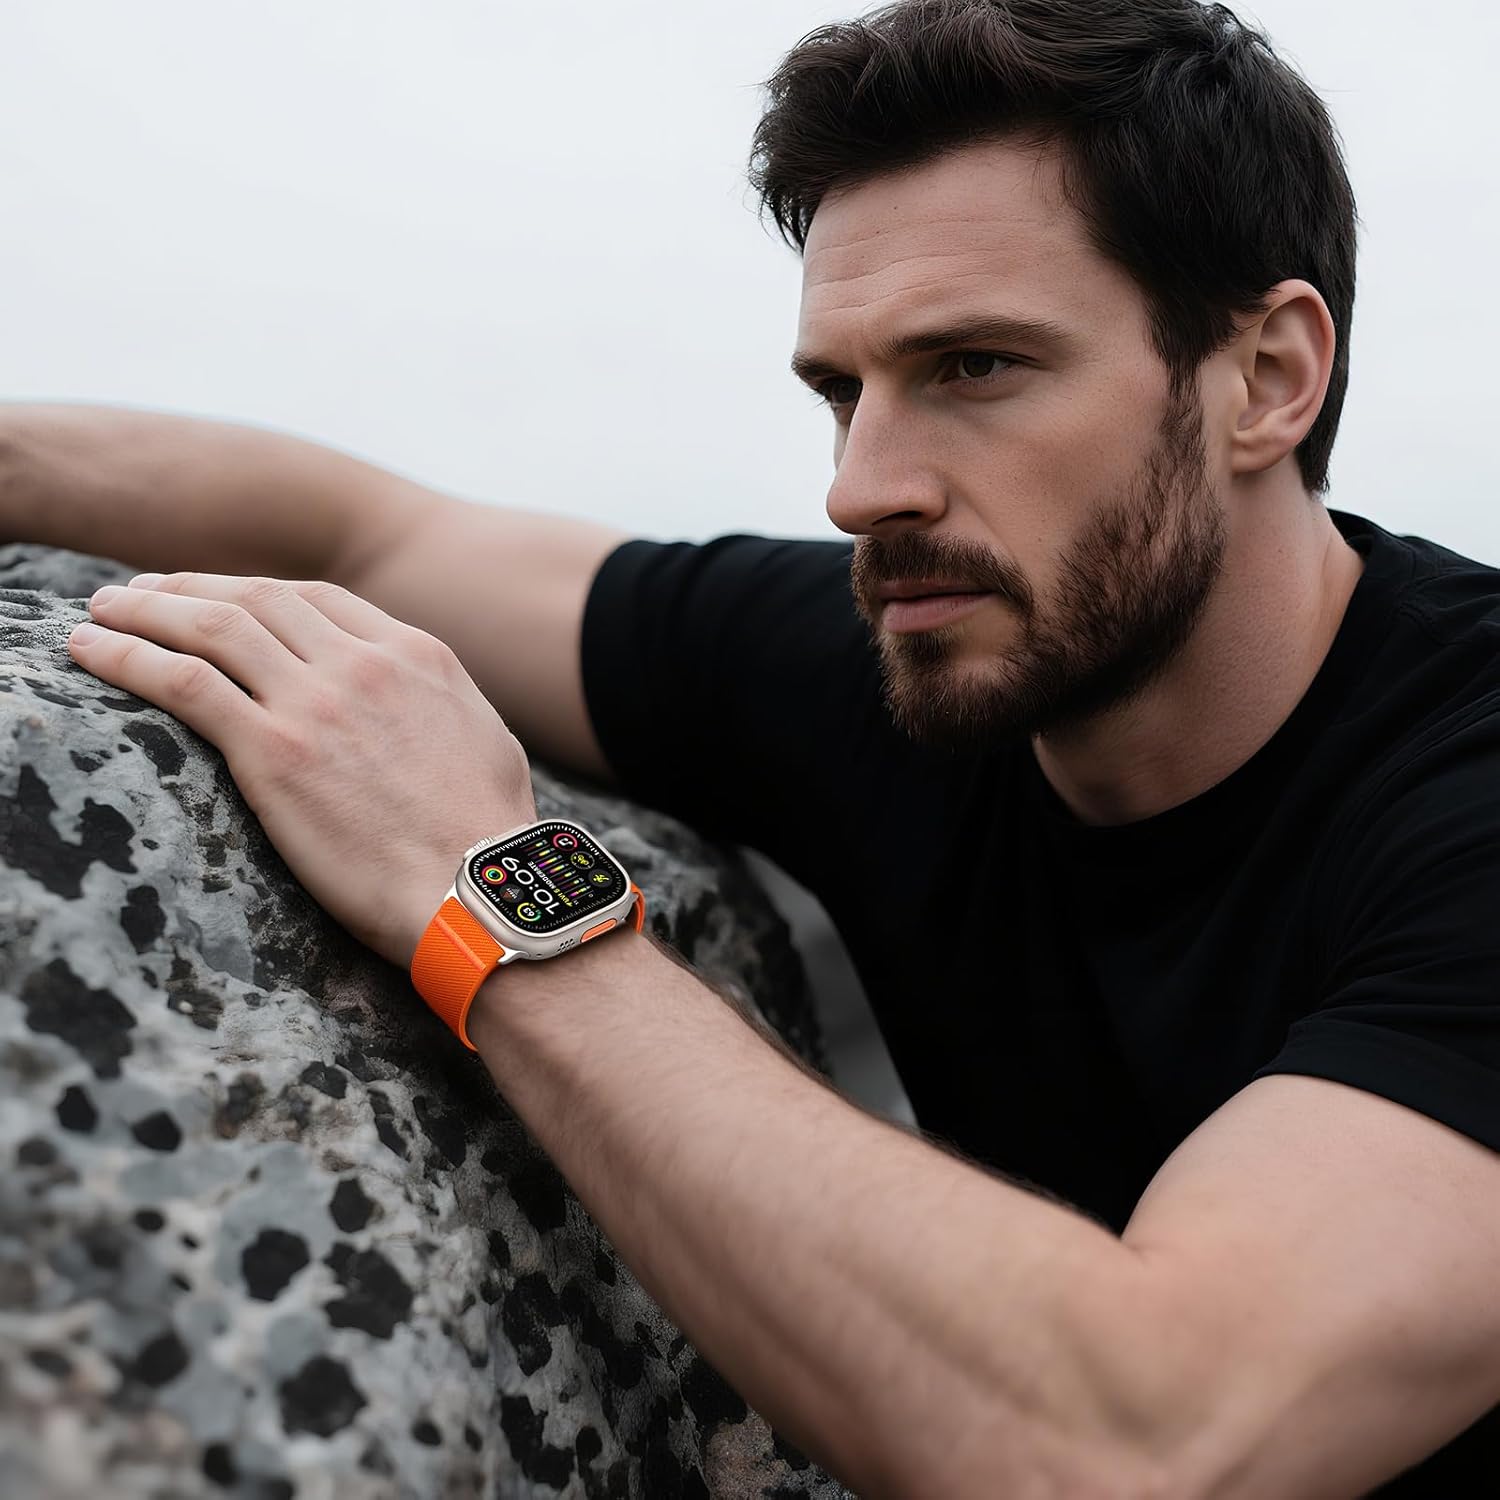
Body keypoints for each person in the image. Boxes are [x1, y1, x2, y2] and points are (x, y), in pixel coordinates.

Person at [5, 0, 1498, 1491]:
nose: (860, 488)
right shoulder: (926, 653)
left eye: (977, 366)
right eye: (843, 390)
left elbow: (1150, 1443)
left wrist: (487, 882)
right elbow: (368, 534)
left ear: (1268, 377)